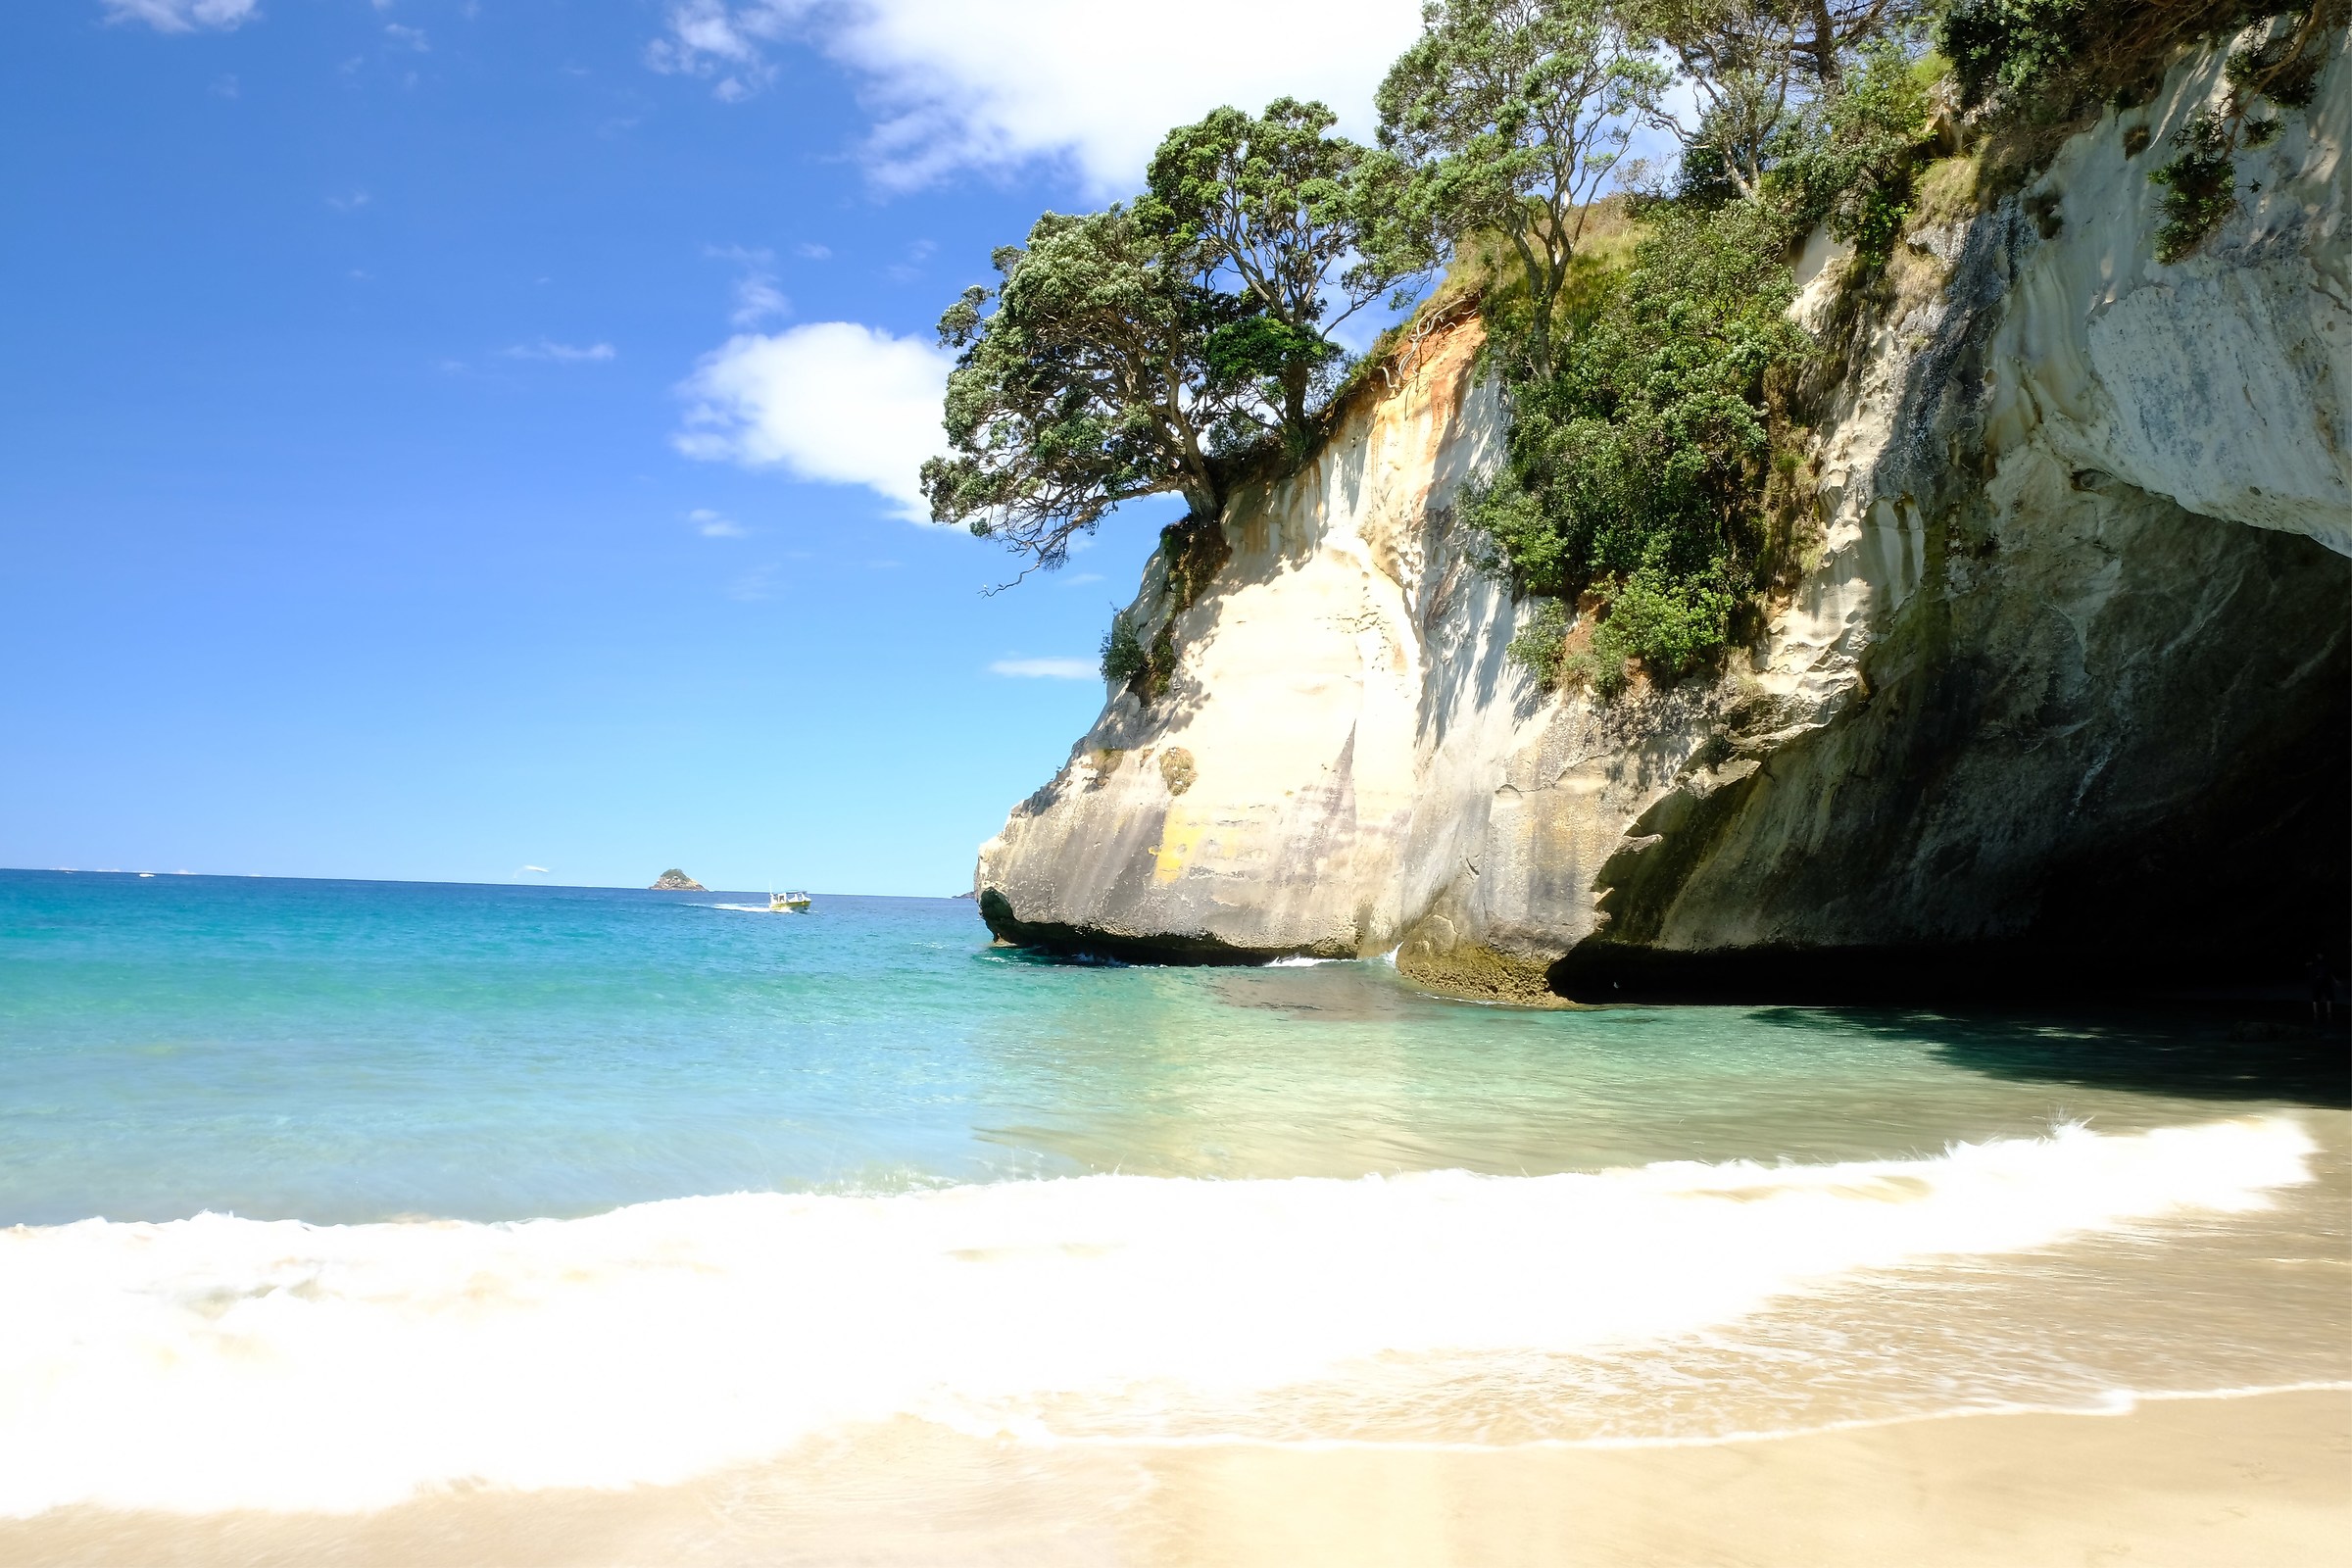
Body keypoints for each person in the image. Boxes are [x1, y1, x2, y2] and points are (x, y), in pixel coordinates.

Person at [2308, 951, 2336, 1029]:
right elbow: (2310, 971)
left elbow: (2330, 973)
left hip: (2325, 982)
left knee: (2329, 997)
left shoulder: (2326, 962)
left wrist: (2335, 980)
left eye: (2321, 954)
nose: (2320, 956)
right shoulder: (2314, 962)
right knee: (2316, 998)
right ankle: (2316, 1014)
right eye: (2318, 954)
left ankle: (2329, 1014)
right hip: (2317, 983)